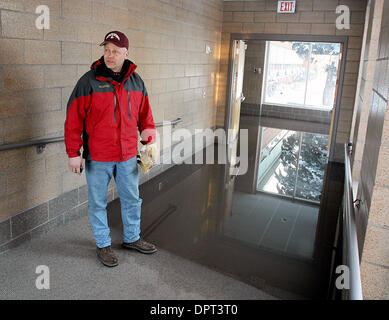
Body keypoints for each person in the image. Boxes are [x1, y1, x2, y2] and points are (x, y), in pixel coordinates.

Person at [64, 31, 158, 267]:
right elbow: (73, 120)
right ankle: (103, 244)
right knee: (97, 202)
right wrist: (73, 154)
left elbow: (146, 116)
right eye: (106, 49)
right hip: (98, 156)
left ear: (126, 54)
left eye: (115, 51)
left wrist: (150, 143)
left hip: (127, 155)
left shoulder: (136, 82)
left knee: (132, 199)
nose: (110, 55)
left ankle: (132, 238)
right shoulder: (89, 81)